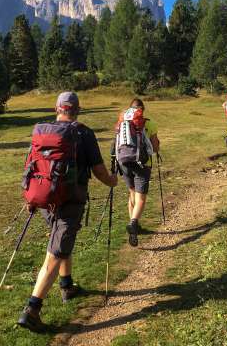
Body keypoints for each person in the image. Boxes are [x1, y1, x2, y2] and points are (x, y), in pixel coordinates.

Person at [18, 92, 118, 333]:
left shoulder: (42, 131)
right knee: (56, 251)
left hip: (45, 198)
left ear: (57, 108)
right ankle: (32, 309)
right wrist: (113, 181)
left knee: (61, 242)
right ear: (77, 109)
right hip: (71, 199)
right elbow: (99, 171)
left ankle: (66, 285)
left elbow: (31, 165)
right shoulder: (83, 133)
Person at [116, 98, 160, 247]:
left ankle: (134, 226)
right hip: (142, 164)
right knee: (141, 198)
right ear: (142, 110)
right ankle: (134, 223)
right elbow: (155, 147)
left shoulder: (122, 122)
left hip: (124, 162)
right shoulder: (149, 123)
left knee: (132, 193)